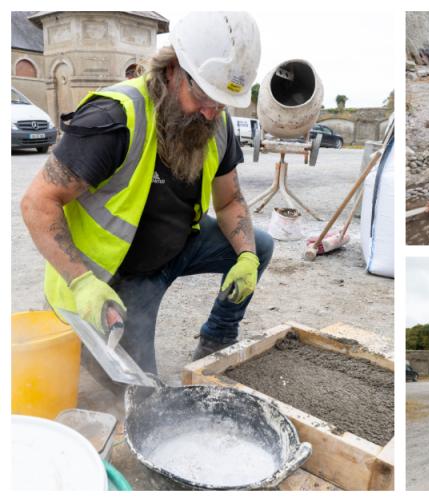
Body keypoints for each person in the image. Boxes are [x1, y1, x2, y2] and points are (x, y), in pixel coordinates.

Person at [20, 12, 270, 376]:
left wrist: (246, 257)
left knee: (259, 246)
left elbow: (230, 200)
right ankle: (91, 328)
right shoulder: (113, 118)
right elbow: (37, 202)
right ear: (173, 70)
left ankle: (217, 338)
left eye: (220, 102)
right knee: (137, 386)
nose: (209, 113)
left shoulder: (215, 122)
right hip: (118, 276)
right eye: (203, 95)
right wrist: (81, 282)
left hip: (177, 250)